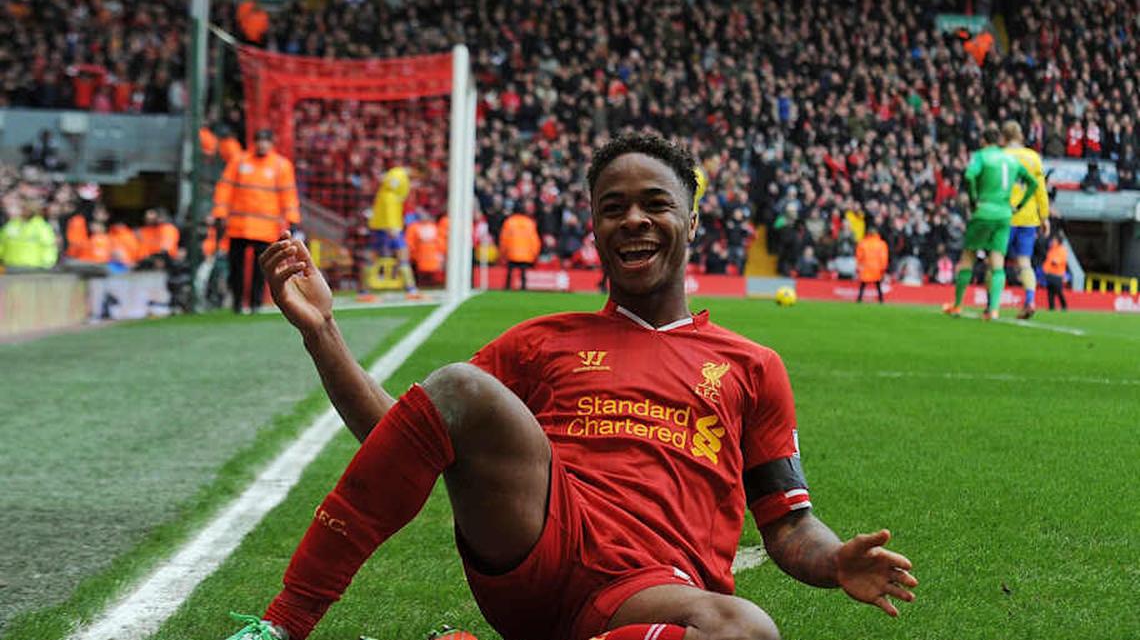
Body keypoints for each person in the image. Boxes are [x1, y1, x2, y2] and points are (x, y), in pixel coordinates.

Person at [232, 133, 917, 640]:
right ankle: (282, 625)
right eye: (612, 206)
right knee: (463, 387)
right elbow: (409, 432)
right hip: (539, 542)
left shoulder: (751, 365)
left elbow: (789, 521)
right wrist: (322, 332)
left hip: (651, 594)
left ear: (692, 220)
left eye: (655, 203)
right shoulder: (541, 340)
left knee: (746, 633)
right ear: (595, 226)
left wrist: (834, 563)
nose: (633, 219)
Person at [943, 123, 1037, 320]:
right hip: (1004, 215)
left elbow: (969, 176)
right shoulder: (1010, 160)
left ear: (983, 141)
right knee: (997, 263)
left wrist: (974, 198)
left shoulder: (981, 156)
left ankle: (958, 305)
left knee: (968, 257)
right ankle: (993, 310)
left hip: (984, 211)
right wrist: (1018, 206)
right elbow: (1033, 183)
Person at [212, 127, 300, 314]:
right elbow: (225, 188)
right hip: (239, 226)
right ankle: (237, 302)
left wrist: (292, 218)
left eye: (265, 140)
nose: (262, 144)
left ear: (271, 143)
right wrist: (220, 213)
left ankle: (255, 303)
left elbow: (288, 194)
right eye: (259, 140)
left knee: (261, 269)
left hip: (265, 228)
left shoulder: (280, 165)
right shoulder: (239, 161)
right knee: (236, 267)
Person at [1000, 121, 1050, 320]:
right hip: (1029, 218)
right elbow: (1040, 189)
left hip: (1005, 214)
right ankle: (1029, 300)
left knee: (996, 260)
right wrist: (1044, 216)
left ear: (1003, 137)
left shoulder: (1002, 156)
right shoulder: (1033, 157)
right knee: (1024, 262)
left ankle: (991, 304)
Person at [365, 165, 419, 297]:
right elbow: (389, 204)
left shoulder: (391, 187)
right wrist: (391, 226)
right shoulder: (395, 184)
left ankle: (411, 289)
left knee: (377, 256)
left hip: (385, 224)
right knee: (392, 254)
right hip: (388, 226)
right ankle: (410, 289)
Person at [498, 206, 541, 290]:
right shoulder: (529, 222)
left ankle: (507, 287)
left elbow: (504, 238)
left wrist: (503, 251)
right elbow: (534, 239)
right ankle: (523, 287)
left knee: (510, 271)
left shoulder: (509, 222)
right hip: (526, 253)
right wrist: (535, 252)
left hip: (512, 251)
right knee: (523, 272)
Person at [855, 226, 889, 303]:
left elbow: (859, 256)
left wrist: (859, 266)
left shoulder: (863, 243)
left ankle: (859, 298)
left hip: (866, 267)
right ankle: (881, 299)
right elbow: (884, 257)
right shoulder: (881, 244)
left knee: (863, 283)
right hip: (876, 268)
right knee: (878, 284)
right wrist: (883, 268)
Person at [1042, 234, 1068, 311]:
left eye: (1054, 240)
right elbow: (1047, 260)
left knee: (1059, 291)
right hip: (1049, 274)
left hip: (1057, 275)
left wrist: (1055, 261)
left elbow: (1058, 261)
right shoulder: (1051, 249)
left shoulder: (1062, 250)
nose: (1053, 241)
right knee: (1050, 292)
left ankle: (1064, 306)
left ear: (1058, 241)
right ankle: (1051, 307)